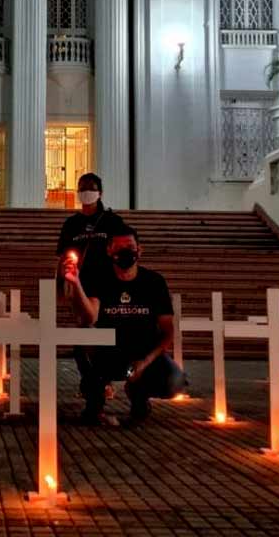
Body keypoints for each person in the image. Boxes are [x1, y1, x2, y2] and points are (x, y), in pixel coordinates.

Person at [64, 224, 188, 427]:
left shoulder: (154, 282)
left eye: (129, 246)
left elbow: (168, 331)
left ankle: (139, 395)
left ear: (139, 250)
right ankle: (94, 401)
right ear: (109, 251)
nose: (125, 252)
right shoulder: (99, 278)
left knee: (174, 380)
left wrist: (145, 362)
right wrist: (76, 283)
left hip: (143, 352)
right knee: (83, 343)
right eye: (118, 248)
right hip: (107, 353)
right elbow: (89, 318)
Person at [56, 173, 126, 399]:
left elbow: (124, 249)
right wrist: (61, 286)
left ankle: (98, 382)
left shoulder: (111, 221)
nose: (86, 191)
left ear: (100, 192)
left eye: (91, 187)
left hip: (108, 287)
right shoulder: (71, 224)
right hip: (81, 287)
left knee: (103, 334)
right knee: (84, 334)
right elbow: (62, 256)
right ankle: (94, 381)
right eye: (82, 187)